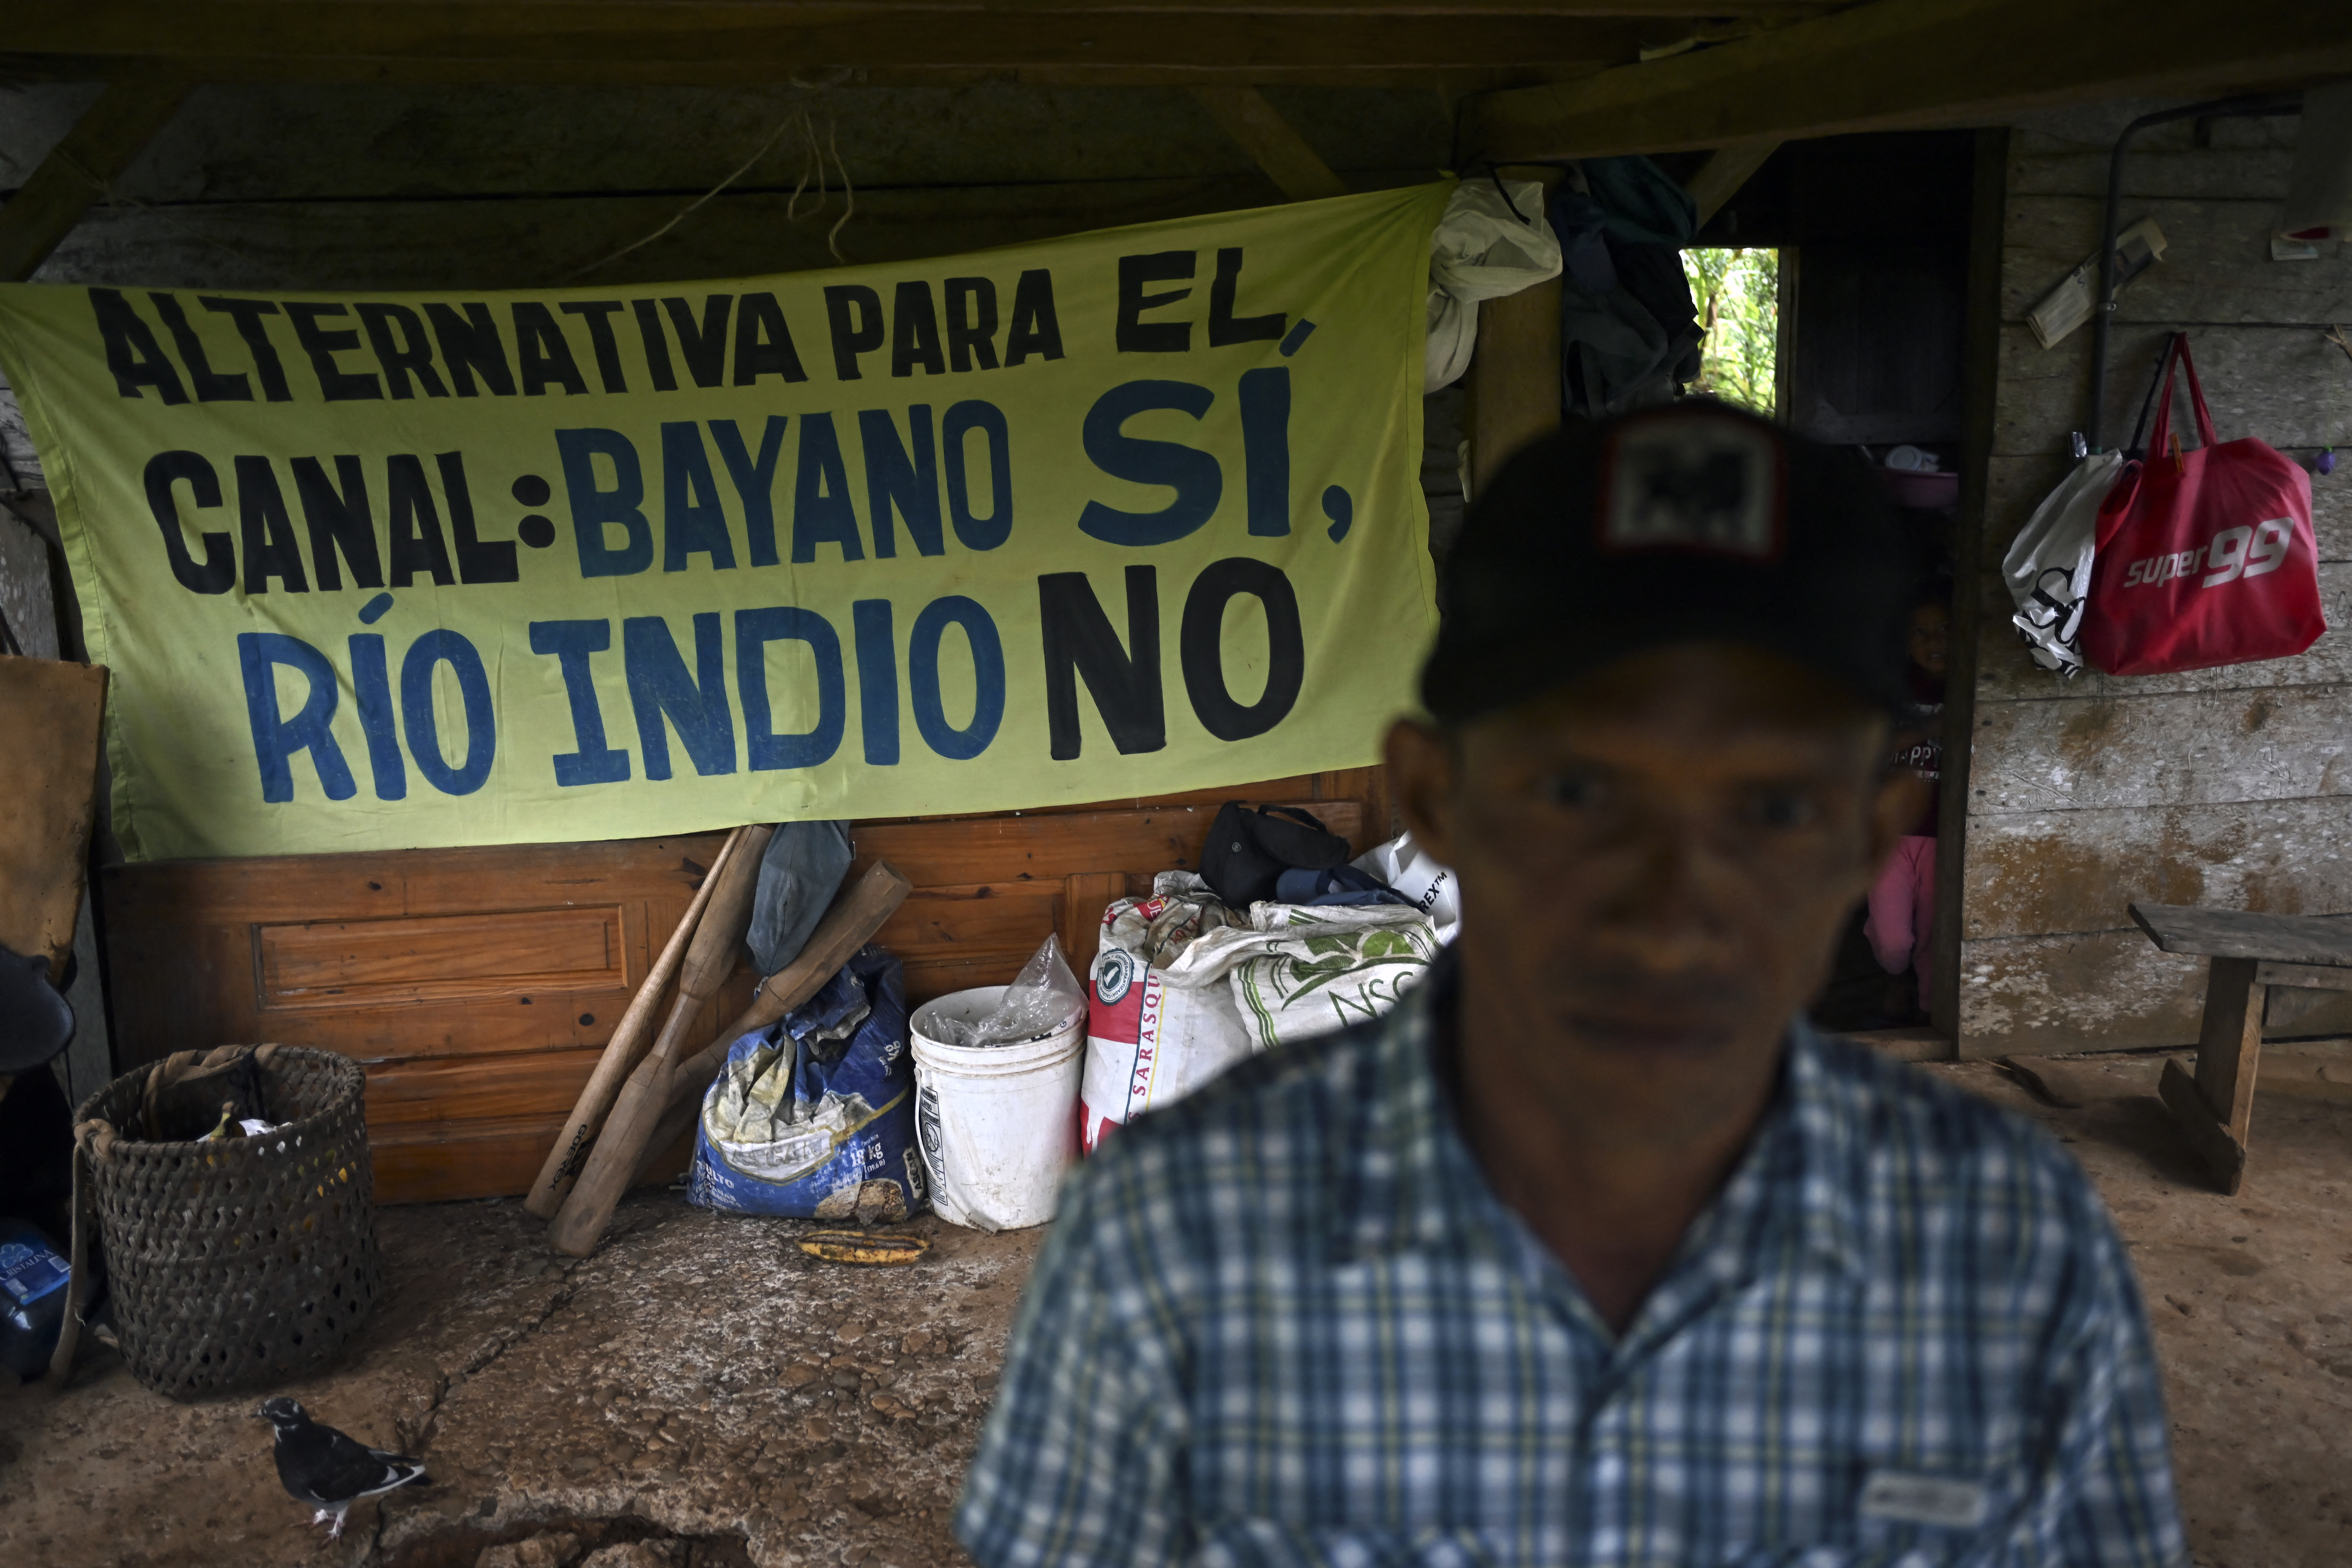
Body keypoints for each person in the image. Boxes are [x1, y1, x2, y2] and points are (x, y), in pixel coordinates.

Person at [956, 405, 2185, 1567]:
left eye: (1768, 801)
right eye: (1580, 787)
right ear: (1440, 799)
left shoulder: (2008, 1253)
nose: (1670, 894)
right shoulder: (1174, 1247)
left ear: (1868, 833)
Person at [1862, 580, 1950, 1021]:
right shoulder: (1893, 688)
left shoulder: (1975, 688)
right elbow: (1868, 748)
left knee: (1933, 935)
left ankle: (1925, 1013)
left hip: (1946, 837)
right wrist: (1927, 731)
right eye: (1919, 632)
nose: (1933, 641)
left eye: (1943, 629)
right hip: (1892, 833)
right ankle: (1892, 974)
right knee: (1894, 940)